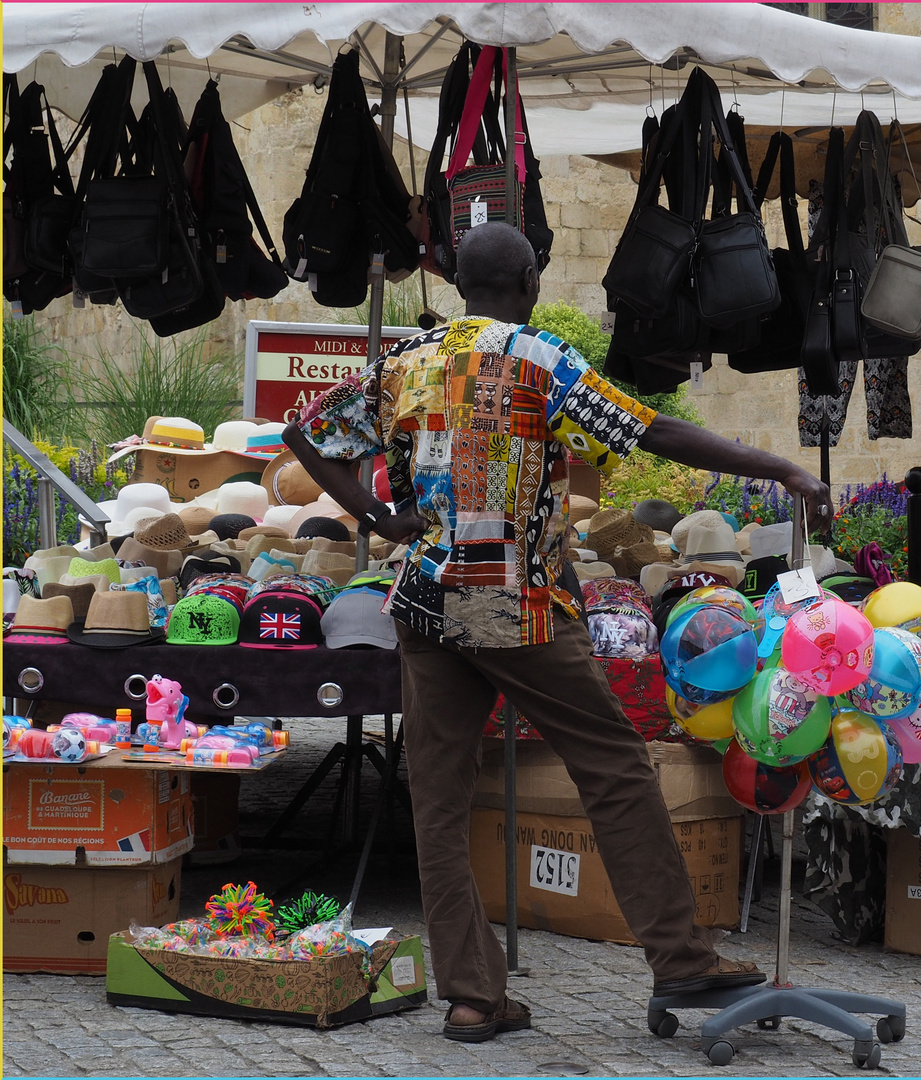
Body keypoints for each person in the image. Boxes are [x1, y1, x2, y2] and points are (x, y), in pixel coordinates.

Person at [283, 222, 833, 1042]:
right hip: (506, 598)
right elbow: (647, 429)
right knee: (612, 766)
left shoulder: (408, 361)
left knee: (437, 801)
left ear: (460, 281)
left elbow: (305, 436)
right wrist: (780, 467)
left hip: (428, 599)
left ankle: (472, 996)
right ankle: (681, 956)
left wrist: (381, 518)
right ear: (530, 279)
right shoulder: (539, 359)